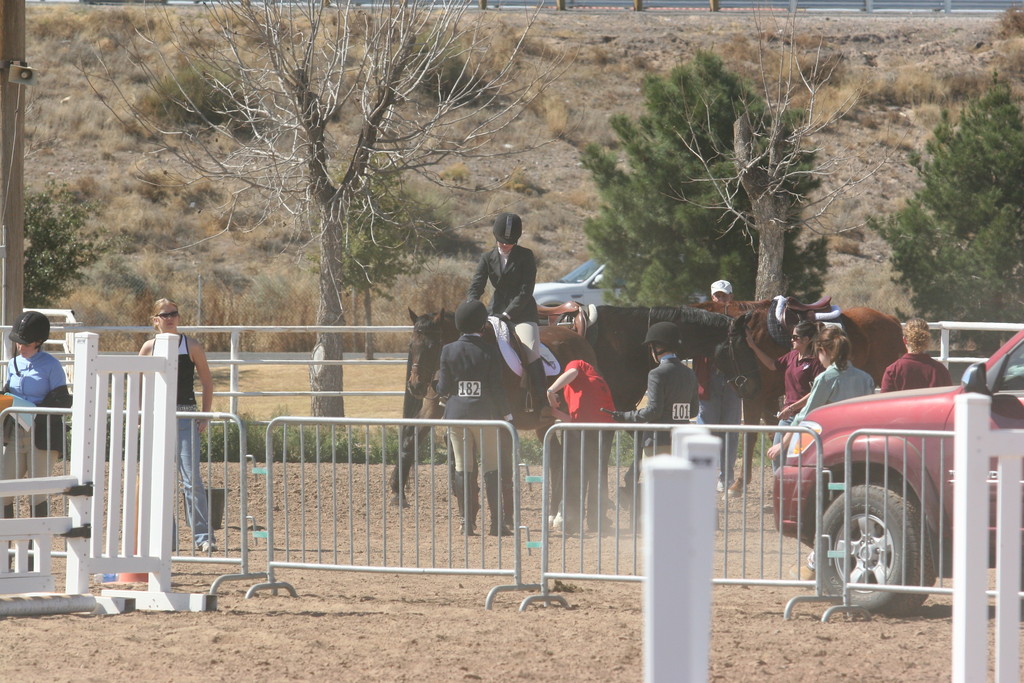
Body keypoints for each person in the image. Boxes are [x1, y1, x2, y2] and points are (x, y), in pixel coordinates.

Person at [765, 326, 874, 579]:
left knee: (826, 506)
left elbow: (807, 415)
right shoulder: (865, 378)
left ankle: (816, 563)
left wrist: (783, 443)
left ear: (824, 351)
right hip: (858, 448)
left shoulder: (826, 379)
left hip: (828, 450)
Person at [139, 298, 217, 553]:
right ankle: (167, 538)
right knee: (159, 480)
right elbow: (140, 385)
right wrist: (142, 416)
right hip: (157, 419)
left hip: (185, 417)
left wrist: (204, 415)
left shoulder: (191, 345)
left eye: (174, 313)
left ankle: (203, 537)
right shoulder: (148, 348)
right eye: (164, 314)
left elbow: (207, 382)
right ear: (155, 320)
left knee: (191, 479)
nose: (170, 318)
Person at [436, 300, 515, 536]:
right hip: (485, 417)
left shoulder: (448, 350)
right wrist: (508, 414)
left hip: (457, 416)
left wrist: (441, 386)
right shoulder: (490, 351)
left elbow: (443, 388)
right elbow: (497, 387)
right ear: (482, 325)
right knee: (491, 468)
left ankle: (466, 522)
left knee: (463, 468)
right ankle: (496, 523)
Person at [467, 212, 547, 416]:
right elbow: (477, 285)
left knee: (530, 350)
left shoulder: (526, 256)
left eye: (509, 243)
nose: (504, 245)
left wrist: (508, 314)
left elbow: (526, 291)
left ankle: (541, 401)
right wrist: (471, 306)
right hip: (494, 312)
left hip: (522, 313)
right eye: (501, 242)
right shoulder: (487, 258)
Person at [2, 311, 71, 520]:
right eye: (18, 343)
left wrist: (32, 410)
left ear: (39, 341)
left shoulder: (51, 365)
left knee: (37, 493)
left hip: (42, 435)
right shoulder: (13, 364)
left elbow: (63, 400)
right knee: (3, 488)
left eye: (26, 343)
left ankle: (35, 547)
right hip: (15, 433)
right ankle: (6, 548)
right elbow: (8, 392)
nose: (20, 347)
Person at [546, 359, 615, 534]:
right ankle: (590, 520)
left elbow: (572, 372)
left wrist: (550, 391)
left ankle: (578, 520)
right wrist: (552, 411)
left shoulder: (578, 365)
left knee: (583, 474)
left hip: (593, 429)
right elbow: (573, 419)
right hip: (598, 428)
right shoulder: (580, 389)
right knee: (593, 474)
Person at [611, 321, 699, 458]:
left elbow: (653, 410)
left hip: (658, 440)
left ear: (657, 348)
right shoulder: (689, 373)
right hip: (681, 439)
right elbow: (693, 410)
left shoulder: (656, 374)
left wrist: (624, 416)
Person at [746, 320, 825, 470]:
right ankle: (781, 489)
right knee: (777, 455)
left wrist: (792, 407)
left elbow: (816, 392)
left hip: (806, 417)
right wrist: (752, 346)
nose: (791, 340)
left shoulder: (816, 362)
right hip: (788, 417)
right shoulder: (792, 356)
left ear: (806, 340)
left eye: (795, 337)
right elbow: (771, 364)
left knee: (802, 458)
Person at [696, 280, 742, 492]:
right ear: (711, 297)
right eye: (717, 296)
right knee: (705, 430)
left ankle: (726, 477)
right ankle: (702, 476)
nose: (720, 299)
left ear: (731, 297)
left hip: (732, 381)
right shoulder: (701, 320)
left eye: (724, 296)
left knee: (730, 431)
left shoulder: (739, 321)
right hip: (709, 378)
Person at [881, 318, 952, 392]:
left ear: (904, 340)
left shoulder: (893, 370)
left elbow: (884, 401)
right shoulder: (940, 370)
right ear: (927, 340)